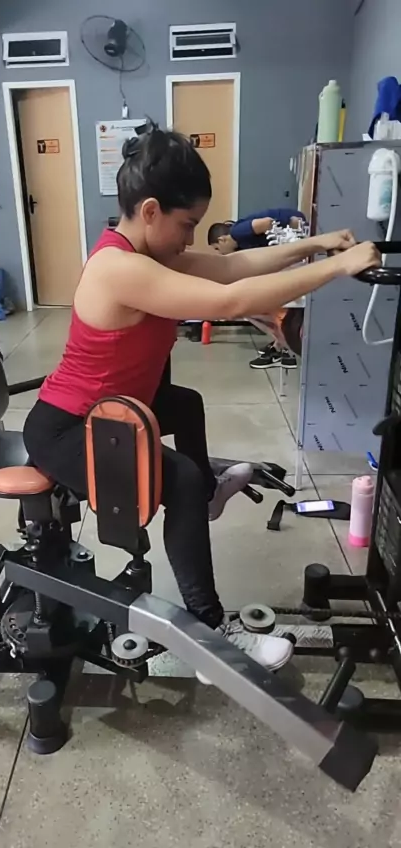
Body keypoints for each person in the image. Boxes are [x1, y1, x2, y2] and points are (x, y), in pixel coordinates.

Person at [23, 124, 380, 679]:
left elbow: (231, 267)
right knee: (182, 481)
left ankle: (208, 497)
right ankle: (212, 635)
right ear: (150, 211)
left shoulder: (145, 253)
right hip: (69, 428)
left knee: (184, 403)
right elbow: (230, 299)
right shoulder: (119, 268)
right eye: (187, 224)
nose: (191, 239)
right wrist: (336, 267)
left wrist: (315, 244)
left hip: (117, 411)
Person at [208, 210, 307, 369]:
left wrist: (294, 224)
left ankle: (284, 348)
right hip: (291, 257)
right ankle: (280, 347)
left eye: (217, 248)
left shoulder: (237, 231)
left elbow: (268, 222)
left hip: (297, 237)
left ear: (222, 239)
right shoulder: (242, 246)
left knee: (255, 308)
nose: (220, 253)